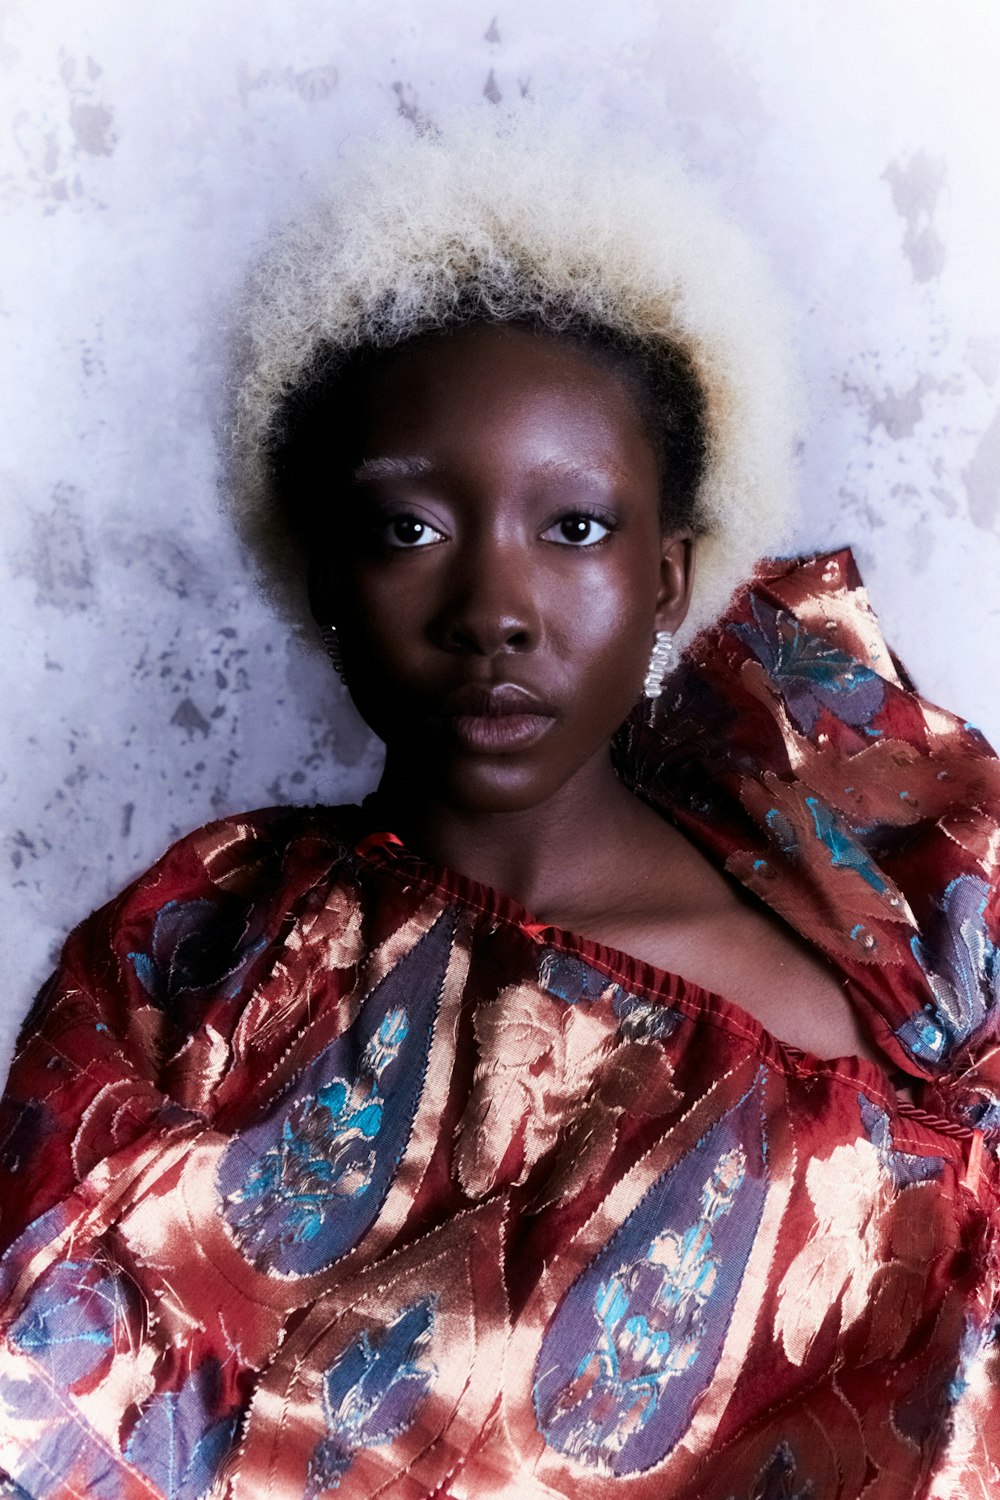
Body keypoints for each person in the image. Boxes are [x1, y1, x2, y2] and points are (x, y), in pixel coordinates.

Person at [1, 109, 999, 1500]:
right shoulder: (205, 951)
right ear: (325, 575)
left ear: (666, 580)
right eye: (411, 529)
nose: (493, 614)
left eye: (574, 527)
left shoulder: (840, 1052)